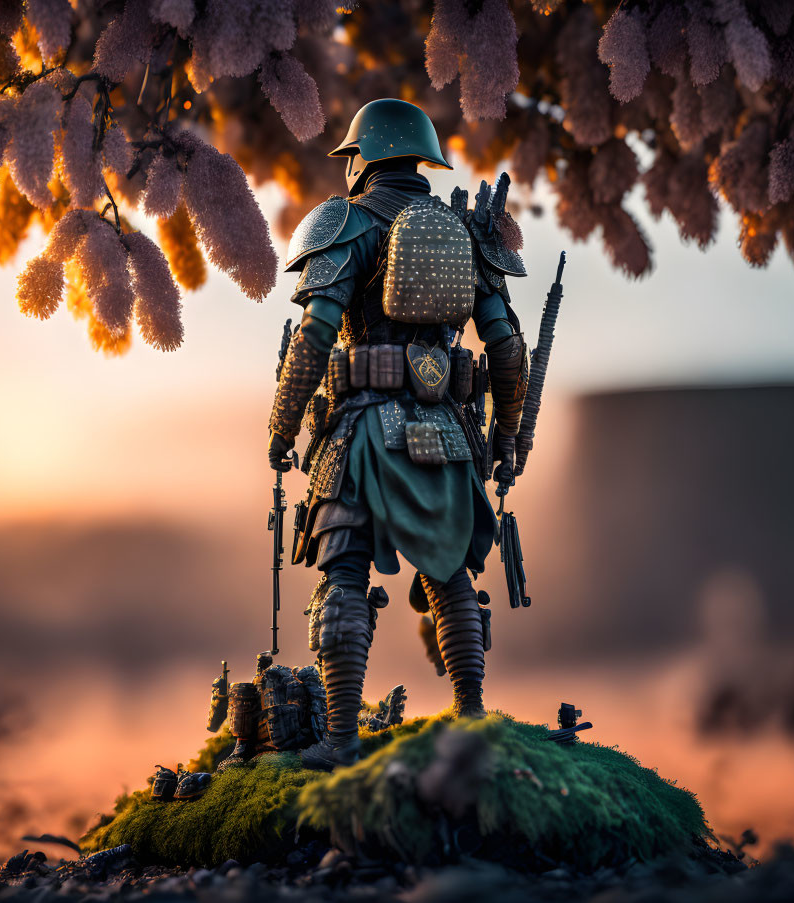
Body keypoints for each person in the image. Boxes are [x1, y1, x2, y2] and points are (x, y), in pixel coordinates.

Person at [268, 98, 529, 770]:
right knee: (450, 574)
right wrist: (505, 437)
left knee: (344, 569)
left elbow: (315, 336)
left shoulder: (345, 222)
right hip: (448, 428)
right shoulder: (467, 235)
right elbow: (505, 346)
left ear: (361, 159)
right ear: (421, 160)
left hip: (361, 427)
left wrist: (281, 424)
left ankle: (342, 740)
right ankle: (469, 717)